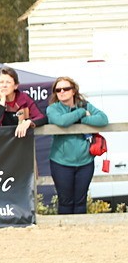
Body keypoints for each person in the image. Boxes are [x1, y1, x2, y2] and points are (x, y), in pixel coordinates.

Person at [45, 76, 109, 214]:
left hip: (85, 161)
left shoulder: (85, 104)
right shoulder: (52, 109)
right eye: (58, 90)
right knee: (65, 201)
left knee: (81, 201)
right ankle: (65, 234)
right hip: (61, 162)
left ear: (73, 91)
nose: (62, 92)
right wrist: (80, 114)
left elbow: (103, 119)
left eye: (66, 88)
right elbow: (61, 121)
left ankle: (81, 234)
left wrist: (82, 119)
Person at [0, 66, 45, 137]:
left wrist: (28, 122)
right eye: (1, 82)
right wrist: (2, 101)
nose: (4, 85)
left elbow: (42, 117)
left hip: (21, 142)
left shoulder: (24, 98)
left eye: (8, 82)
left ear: (16, 85)